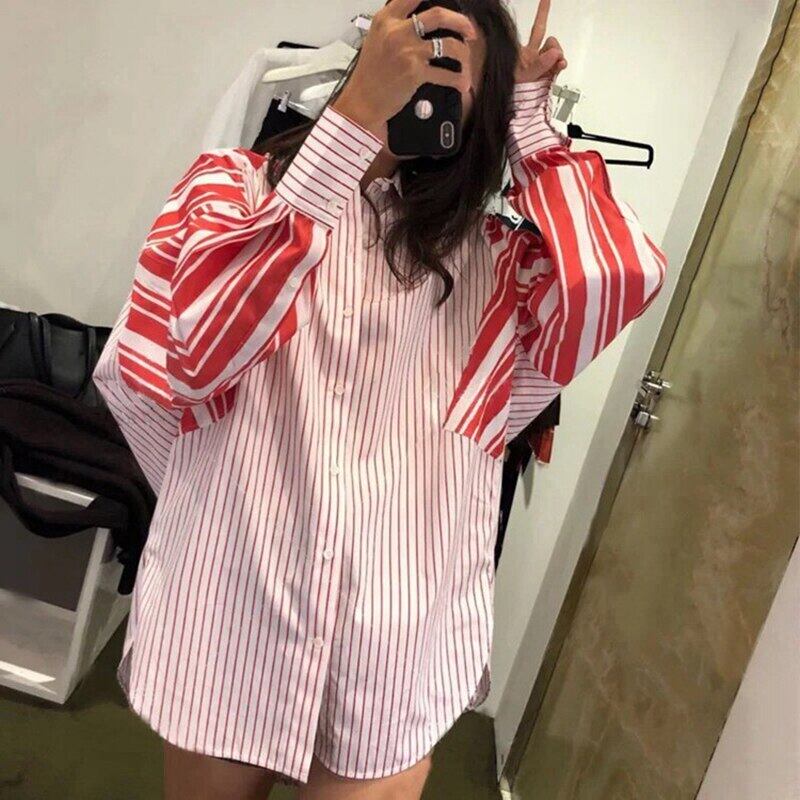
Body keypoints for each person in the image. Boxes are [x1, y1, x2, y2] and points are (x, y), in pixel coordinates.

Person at [93, 0, 666, 797]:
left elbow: (620, 277)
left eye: (456, 63)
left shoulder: (500, 265)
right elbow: (187, 360)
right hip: (231, 609)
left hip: (393, 643)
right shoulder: (231, 191)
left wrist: (531, 130)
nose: (428, 70)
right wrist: (353, 121)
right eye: (417, 43)